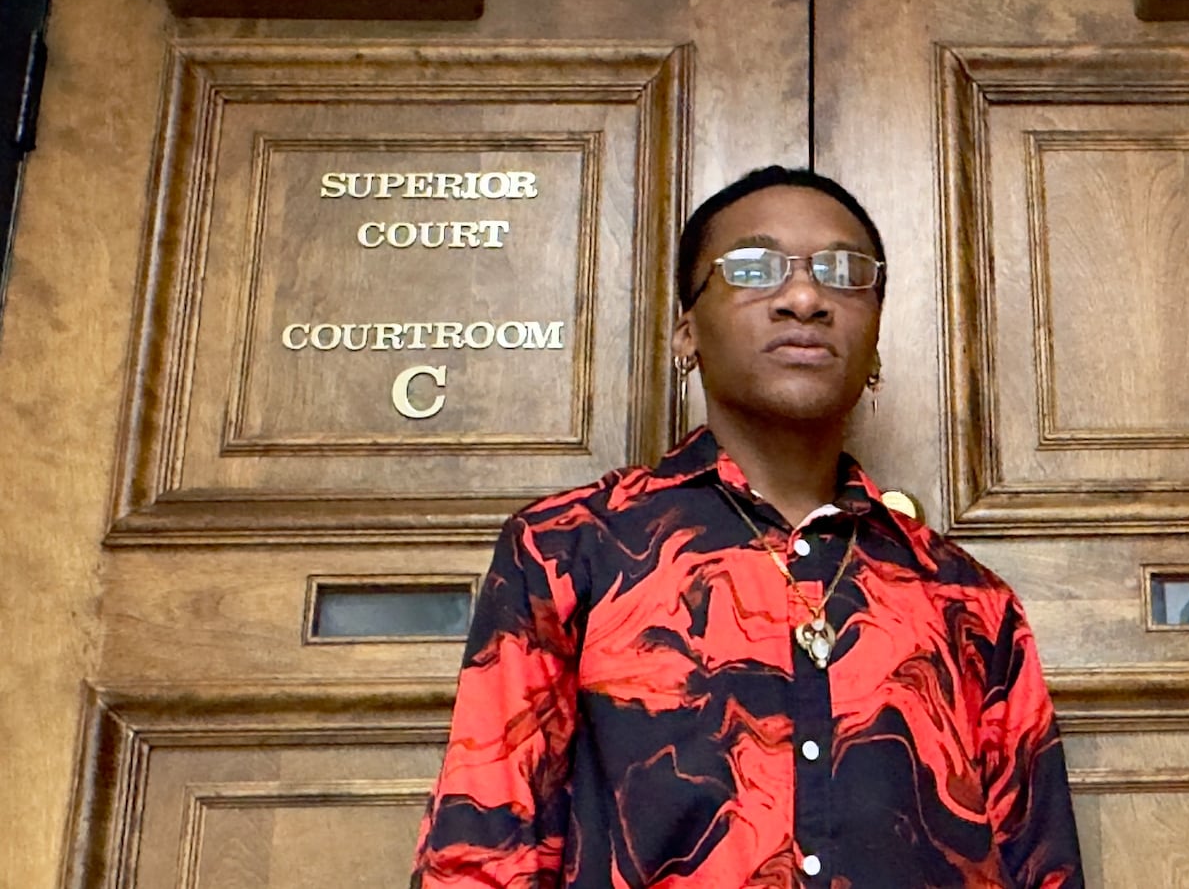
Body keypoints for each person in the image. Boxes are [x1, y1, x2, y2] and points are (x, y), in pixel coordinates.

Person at [411, 166, 1084, 888]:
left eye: (843, 272)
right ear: (686, 332)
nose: (804, 297)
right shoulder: (569, 549)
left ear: (877, 336)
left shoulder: (967, 600)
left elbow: (1040, 869)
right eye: (755, 268)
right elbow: (480, 854)